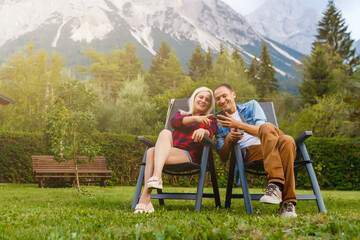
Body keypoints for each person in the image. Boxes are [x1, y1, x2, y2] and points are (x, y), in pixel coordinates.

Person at [213, 83, 297, 217]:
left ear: (233, 94)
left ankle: (275, 184)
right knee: (287, 141)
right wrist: (228, 138)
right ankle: (288, 203)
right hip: (252, 152)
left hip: (271, 143)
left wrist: (239, 125)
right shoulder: (218, 121)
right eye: (218, 99)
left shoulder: (251, 106)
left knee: (276, 133)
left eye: (224, 96)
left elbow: (263, 131)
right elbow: (223, 157)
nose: (222, 101)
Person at [134, 87, 217, 213]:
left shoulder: (211, 119)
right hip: (169, 151)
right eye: (201, 97)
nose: (203, 100)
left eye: (207, 99)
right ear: (194, 98)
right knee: (164, 133)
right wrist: (196, 119)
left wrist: (203, 130)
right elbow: (175, 122)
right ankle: (155, 180)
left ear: (209, 104)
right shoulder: (181, 114)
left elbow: (210, 131)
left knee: (151, 152)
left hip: (188, 155)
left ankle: (146, 197)